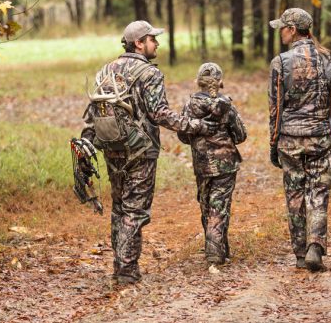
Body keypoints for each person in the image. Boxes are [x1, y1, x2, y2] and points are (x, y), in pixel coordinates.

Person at [78, 21, 213, 285]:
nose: (157, 43)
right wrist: (192, 125)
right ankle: (127, 271)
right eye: (152, 39)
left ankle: (120, 266)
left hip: (112, 148)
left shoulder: (106, 70)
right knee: (135, 210)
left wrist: (89, 142)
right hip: (141, 152)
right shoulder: (149, 73)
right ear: (139, 43)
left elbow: (93, 113)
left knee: (119, 208)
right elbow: (159, 113)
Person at [267, 8, 331, 271]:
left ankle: (300, 253)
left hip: (290, 139)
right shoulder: (327, 58)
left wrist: (274, 144)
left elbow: (275, 109)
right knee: (318, 192)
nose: (281, 32)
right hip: (320, 137)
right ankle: (315, 246)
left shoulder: (281, 62)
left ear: (293, 30)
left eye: (283, 28)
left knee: (295, 194)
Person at [178, 62, 248, 266]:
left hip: (202, 164)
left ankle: (217, 247)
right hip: (225, 164)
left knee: (206, 204)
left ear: (198, 82)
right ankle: (215, 251)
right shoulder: (227, 106)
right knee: (220, 205)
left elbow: (183, 135)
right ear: (219, 82)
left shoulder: (189, 106)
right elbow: (241, 135)